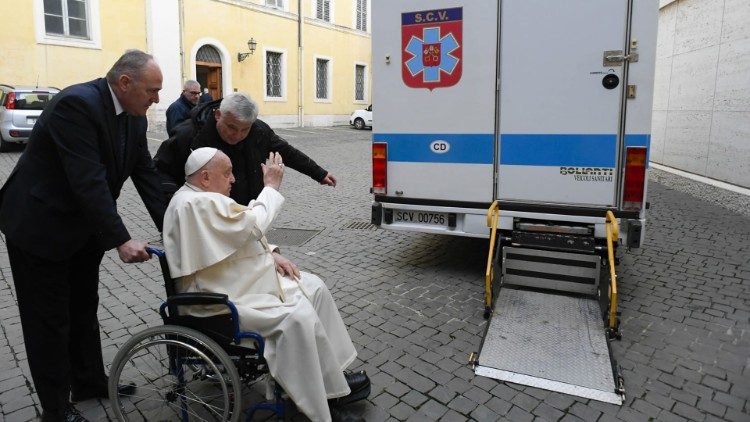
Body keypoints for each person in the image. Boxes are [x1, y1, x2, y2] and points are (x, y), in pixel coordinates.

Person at [0, 50, 167, 421]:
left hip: (81, 228)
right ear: (125, 83)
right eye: (152, 90)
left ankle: (89, 380)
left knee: (83, 308)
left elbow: (147, 176)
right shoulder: (76, 105)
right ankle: (56, 409)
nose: (157, 99)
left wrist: (175, 226)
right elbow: (87, 180)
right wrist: (121, 239)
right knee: (49, 322)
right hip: (39, 227)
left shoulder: (134, 118)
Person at [163, 147, 370, 422]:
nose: (233, 179)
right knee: (296, 317)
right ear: (204, 177)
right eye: (227, 173)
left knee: (313, 286)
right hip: (216, 300)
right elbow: (252, 224)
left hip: (235, 280)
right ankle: (318, 403)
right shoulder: (194, 203)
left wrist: (271, 254)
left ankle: (331, 379)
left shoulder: (201, 198)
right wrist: (271, 186)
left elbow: (237, 234)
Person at [154, 92, 337, 205]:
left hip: (247, 211)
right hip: (207, 218)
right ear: (218, 115)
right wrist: (175, 203)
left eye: (244, 130)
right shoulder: (189, 135)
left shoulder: (258, 130)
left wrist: (318, 173)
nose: (237, 135)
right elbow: (160, 171)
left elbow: (287, 152)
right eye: (232, 127)